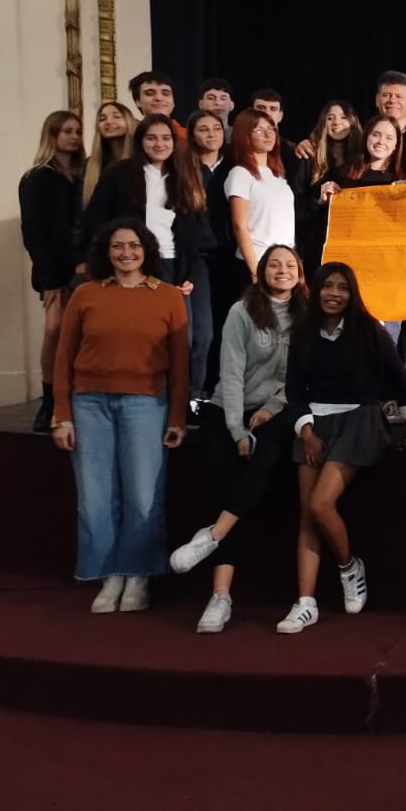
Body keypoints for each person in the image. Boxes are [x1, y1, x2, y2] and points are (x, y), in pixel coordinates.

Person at [278, 263, 406, 634]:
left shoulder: (368, 329)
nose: (334, 294)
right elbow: (294, 390)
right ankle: (305, 603)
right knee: (307, 517)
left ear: (353, 292)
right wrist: (306, 430)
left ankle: (349, 567)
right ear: (315, 290)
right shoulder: (302, 333)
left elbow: (397, 376)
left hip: (359, 421)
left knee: (320, 504)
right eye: (327, 286)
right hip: (314, 424)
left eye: (342, 288)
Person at [51, 219, 189, 613]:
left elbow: (181, 364)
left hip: (146, 403)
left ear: (146, 250)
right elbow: (63, 357)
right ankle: (108, 574)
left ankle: (138, 575)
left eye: (133, 245)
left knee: (143, 495)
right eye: (117, 246)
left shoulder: (167, 297)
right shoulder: (86, 294)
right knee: (95, 497)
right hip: (88, 404)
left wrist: (177, 417)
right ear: (105, 252)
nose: (125, 253)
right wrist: (62, 415)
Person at [170, 244, 307, 632]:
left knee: (264, 462)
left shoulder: (308, 316)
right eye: (275, 265)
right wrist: (236, 428)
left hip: (277, 411)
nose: (283, 270)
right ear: (262, 271)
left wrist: (272, 409)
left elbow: (299, 378)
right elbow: (229, 375)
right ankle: (220, 597)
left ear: (300, 272)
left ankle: (213, 535)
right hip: (228, 408)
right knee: (229, 483)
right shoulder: (242, 311)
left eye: (290, 265)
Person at [79, 114, 213, 412]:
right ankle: (157, 400)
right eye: (151, 137)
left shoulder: (184, 173)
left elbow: (193, 227)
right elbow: (96, 218)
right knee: (154, 338)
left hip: (178, 263)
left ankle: (188, 400)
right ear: (140, 141)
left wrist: (189, 272)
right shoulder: (121, 173)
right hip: (138, 265)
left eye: (166, 138)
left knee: (193, 337)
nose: (159, 144)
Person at [19, 110, 84, 431]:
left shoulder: (87, 173)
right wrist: (49, 279)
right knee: (54, 331)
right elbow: (33, 232)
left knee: (83, 335)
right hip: (55, 270)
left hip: (85, 267)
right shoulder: (37, 178)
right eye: (67, 131)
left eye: (77, 131)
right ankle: (49, 400)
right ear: (53, 135)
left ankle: (75, 397)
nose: (73, 137)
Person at [189, 110, 237, 393]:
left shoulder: (235, 167)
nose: (211, 134)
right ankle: (196, 393)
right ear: (192, 135)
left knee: (227, 328)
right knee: (202, 332)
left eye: (216, 129)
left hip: (231, 257)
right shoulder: (183, 168)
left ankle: (223, 390)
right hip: (198, 258)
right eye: (203, 129)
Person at [292, 100, 362, 275]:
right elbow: (294, 207)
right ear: (323, 124)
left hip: (353, 241)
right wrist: (318, 201)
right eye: (330, 118)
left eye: (343, 117)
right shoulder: (308, 156)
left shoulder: (363, 157)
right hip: (316, 245)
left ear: (353, 122)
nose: (336, 122)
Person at [226, 108, 295, 281]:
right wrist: (255, 270)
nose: (268, 134)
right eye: (259, 130)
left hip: (284, 262)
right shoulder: (240, 173)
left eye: (271, 129)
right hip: (258, 261)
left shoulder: (277, 174)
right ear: (244, 135)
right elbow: (239, 225)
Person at [81, 100, 137, 205]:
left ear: (129, 121)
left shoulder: (141, 160)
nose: (108, 122)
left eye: (116, 117)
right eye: (102, 119)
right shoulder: (90, 164)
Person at [128, 70, 183, 136]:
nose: (159, 98)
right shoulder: (129, 136)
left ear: (173, 102)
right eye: (150, 93)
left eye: (166, 94)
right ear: (137, 101)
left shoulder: (188, 137)